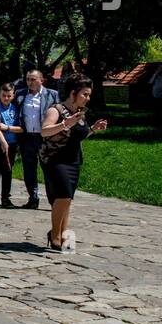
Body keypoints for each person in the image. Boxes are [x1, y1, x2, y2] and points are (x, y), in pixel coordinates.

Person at [40, 72, 108, 251]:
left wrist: (93, 129)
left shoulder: (79, 113)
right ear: (73, 93)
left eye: (89, 94)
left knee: (67, 198)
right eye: (84, 94)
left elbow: (77, 136)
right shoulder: (56, 110)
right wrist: (65, 123)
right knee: (62, 196)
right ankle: (55, 235)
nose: (87, 98)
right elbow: (45, 131)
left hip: (73, 160)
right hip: (56, 159)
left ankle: (62, 234)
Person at [12, 69, 59, 209]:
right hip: (27, 138)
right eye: (28, 79)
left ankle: (54, 201)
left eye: (33, 79)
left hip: (45, 137)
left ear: (41, 80)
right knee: (29, 170)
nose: (30, 82)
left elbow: (61, 112)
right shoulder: (20, 94)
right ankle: (33, 198)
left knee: (49, 170)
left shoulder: (52, 94)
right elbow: (9, 106)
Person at [0, 82, 20, 209]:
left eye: (8, 96)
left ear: (13, 95)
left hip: (11, 143)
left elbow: (21, 127)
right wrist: (2, 141)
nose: (6, 98)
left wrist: (8, 130)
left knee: (8, 170)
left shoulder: (15, 109)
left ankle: (6, 198)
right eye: (3, 95)